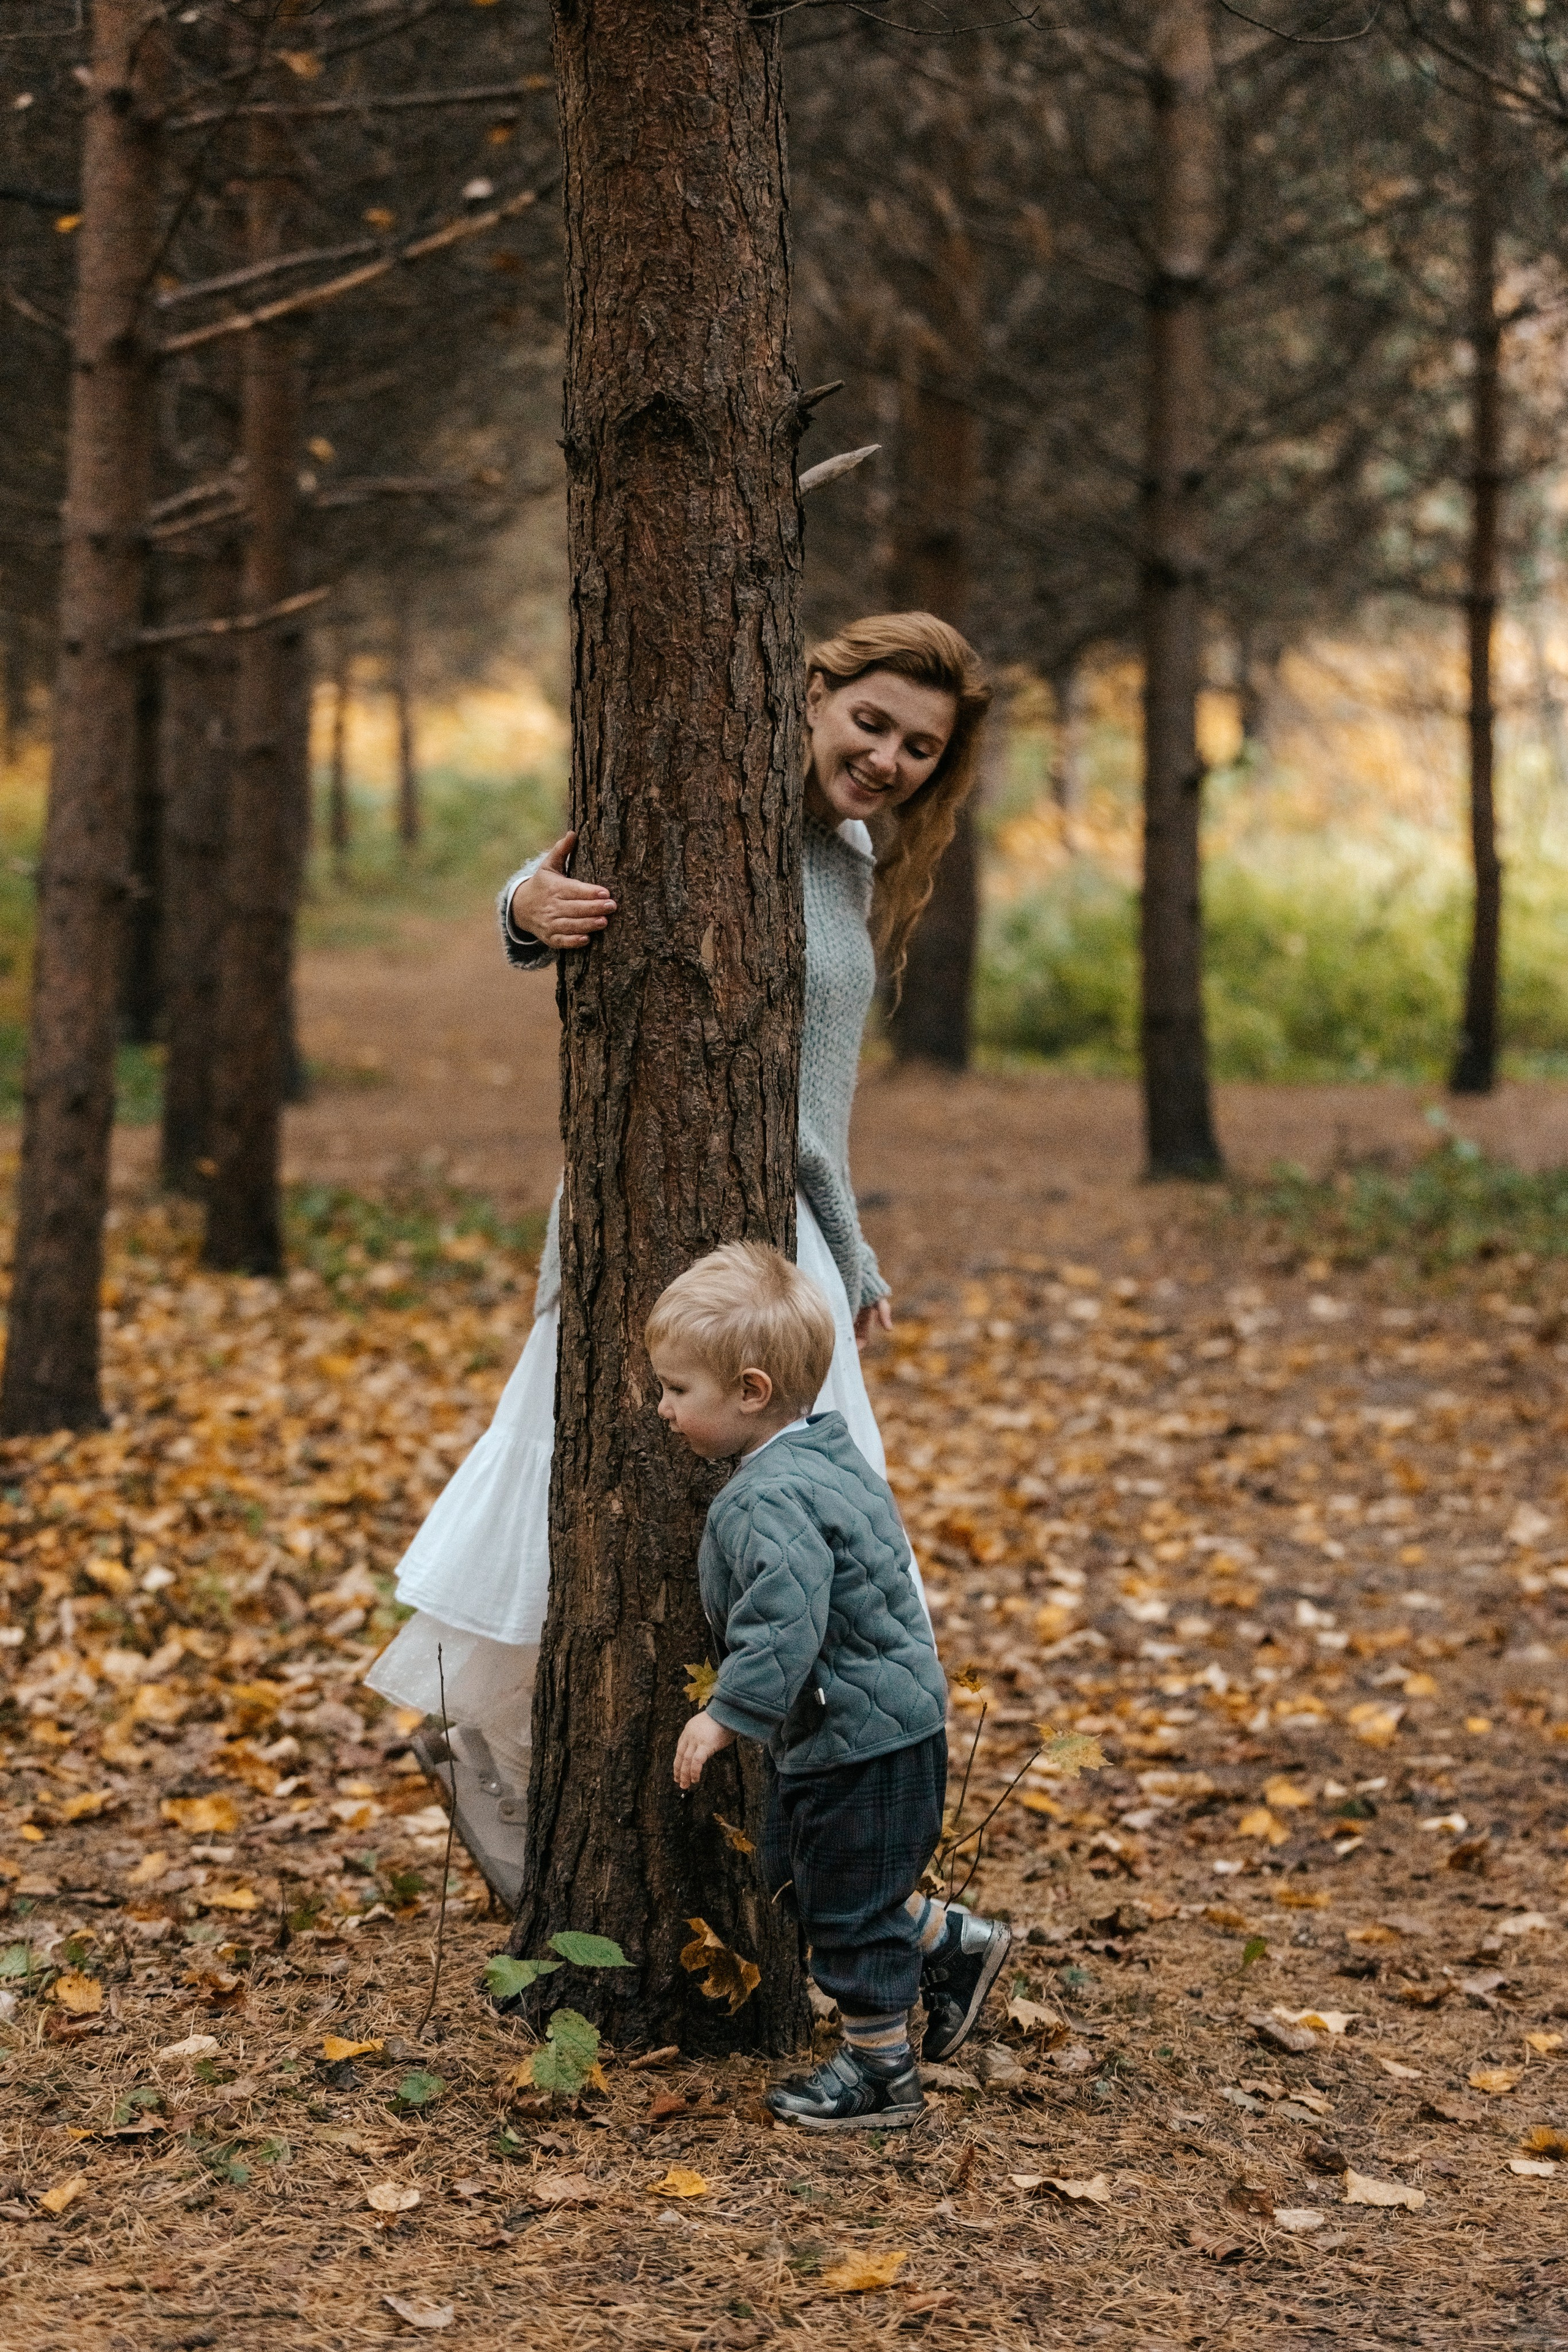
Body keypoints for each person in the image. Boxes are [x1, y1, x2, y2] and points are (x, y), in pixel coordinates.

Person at [364, 612, 992, 1907]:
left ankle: (827, 1890)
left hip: (786, 1258)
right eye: (866, 721)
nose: (883, 759)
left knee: (789, 1563)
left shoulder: (855, 858)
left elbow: (822, 1094)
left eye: (916, 747)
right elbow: (554, 889)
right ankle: (569, 1850)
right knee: (589, 1538)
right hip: (645, 1233)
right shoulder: (707, 801)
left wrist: (854, 1255)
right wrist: (521, 906)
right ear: (809, 694)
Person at [654, 1240, 1012, 2131]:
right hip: (888, 1725)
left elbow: (786, 1615)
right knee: (826, 1882)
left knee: (844, 1909)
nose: (661, 1409)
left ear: (749, 1392)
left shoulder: (760, 1501)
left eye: (676, 1390)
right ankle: (952, 1942)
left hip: (856, 1735)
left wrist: (725, 1717)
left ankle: (881, 2075)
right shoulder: (825, 1455)